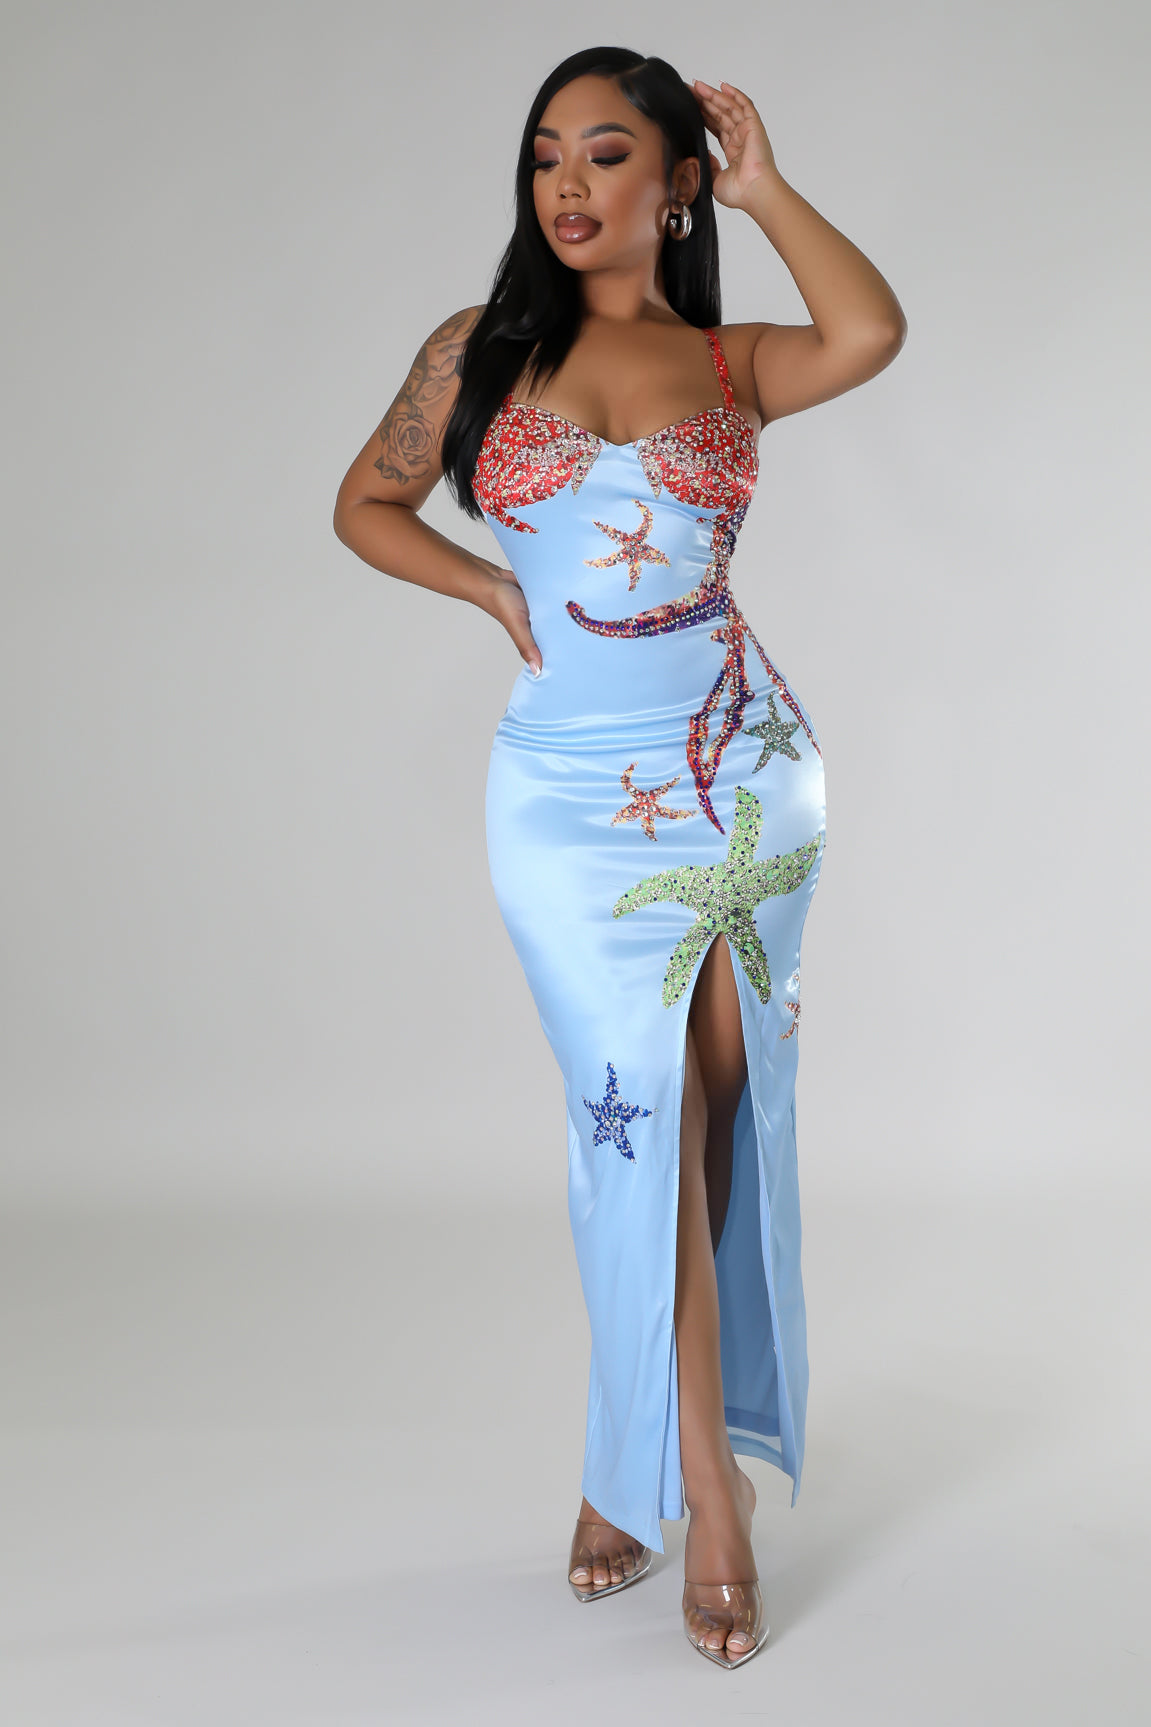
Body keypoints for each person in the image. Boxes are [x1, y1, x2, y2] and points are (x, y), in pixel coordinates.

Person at [333, 46, 905, 1670]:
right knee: (633, 1120)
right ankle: (704, 1494)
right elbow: (367, 504)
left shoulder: (731, 360)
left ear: (677, 186)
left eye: (603, 154)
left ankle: (629, 1462)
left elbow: (870, 330)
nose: (568, 186)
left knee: (712, 1114)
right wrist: (486, 589)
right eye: (544, 157)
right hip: (568, 800)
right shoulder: (476, 348)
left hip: (740, 770)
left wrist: (770, 186)